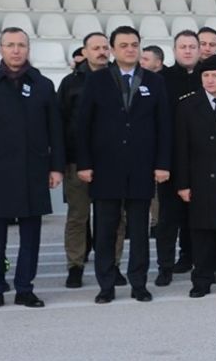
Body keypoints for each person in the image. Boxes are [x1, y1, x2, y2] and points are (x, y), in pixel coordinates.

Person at [0, 28, 64, 311]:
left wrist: (56, 167)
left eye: (21, 45)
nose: (16, 50)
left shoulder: (43, 85)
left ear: (28, 48)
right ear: (1, 49)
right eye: (10, 45)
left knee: (31, 235)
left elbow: (54, 131)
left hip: (33, 170)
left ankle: (25, 289)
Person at [76, 26, 171, 303]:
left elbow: (163, 125)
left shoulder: (154, 82)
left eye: (134, 44)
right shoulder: (97, 80)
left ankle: (138, 283)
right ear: (113, 49)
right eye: (124, 45)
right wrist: (85, 163)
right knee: (105, 229)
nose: (130, 49)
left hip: (141, 167)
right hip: (105, 167)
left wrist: (162, 163)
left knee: (140, 230)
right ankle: (106, 284)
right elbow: (83, 125)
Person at [58, 31, 120, 289]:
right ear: (84, 52)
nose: (101, 52)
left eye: (105, 47)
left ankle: (112, 265)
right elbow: (60, 123)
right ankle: (75, 266)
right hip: (76, 161)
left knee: (116, 218)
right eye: (95, 48)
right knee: (78, 216)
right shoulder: (70, 83)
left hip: (113, 161)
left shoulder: (120, 79)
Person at [173, 54, 216, 297]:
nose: (210, 80)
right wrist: (183, 184)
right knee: (200, 233)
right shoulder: (188, 105)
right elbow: (181, 147)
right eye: (206, 75)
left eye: (215, 75)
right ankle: (201, 280)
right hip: (198, 179)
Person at [156, 29, 202, 284]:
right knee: (168, 217)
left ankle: (190, 258)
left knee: (197, 215)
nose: (187, 51)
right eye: (182, 47)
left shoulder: (207, 77)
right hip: (171, 160)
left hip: (200, 161)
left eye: (192, 46)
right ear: (174, 51)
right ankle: (165, 265)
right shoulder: (161, 79)